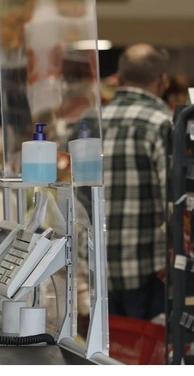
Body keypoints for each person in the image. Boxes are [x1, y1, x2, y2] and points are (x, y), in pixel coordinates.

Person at [102, 43, 172, 320]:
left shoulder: (89, 121)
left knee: (102, 358)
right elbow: (175, 199)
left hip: (95, 271)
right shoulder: (163, 123)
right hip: (148, 270)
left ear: (118, 76)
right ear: (162, 80)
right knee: (146, 358)